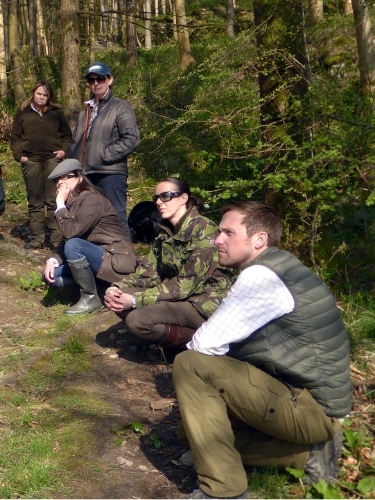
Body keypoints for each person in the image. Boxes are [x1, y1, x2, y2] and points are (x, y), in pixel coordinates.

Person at [174, 201, 351, 499]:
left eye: (228, 232)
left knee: (190, 365)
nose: (217, 239)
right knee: (190, 432)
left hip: (312, 409)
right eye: (219, 231)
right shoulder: (283, 266)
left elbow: (203, 346)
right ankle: (304, 455)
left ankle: (224, 490)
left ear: (259, 239)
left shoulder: (262, 277)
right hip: (313, 402)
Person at [103, 178, 233, 349]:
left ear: (183, 198)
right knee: (119, 298)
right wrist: (117, 287)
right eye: (156, 198)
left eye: (166, 196)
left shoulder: (204, 230)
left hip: (204, 302)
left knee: (137, 320)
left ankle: (200, 343)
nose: (158, 202)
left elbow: (186, 285)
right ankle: (168, 340)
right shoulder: (165, 232)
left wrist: (135, 300)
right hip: (180, 296)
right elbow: (149, 272)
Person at [42, 159, 136, 315]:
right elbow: (69, 237)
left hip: (114, 258)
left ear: (80, 178)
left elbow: (71, 233)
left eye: (66, 177)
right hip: (95, 259)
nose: (60, 182)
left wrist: (59, 204)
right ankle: (101, 291)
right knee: (51, 275)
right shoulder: (73, 203)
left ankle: (90, 298)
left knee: (74, 245)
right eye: (57, 180)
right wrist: (52, 260)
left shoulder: (92, 199)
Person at [66, 62, 140, 232]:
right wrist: (72, 160)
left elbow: (132, 138)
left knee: (116, 216)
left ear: (110, 80)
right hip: (85, 173)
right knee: (87, 216)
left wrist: (104, 155)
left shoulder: (121, 107)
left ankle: (127, 257)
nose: (96, 83)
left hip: (110, 173)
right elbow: (75, 140)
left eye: (100, 78)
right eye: (92, 80)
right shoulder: (85, 111)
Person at [11, 81, 72, 249]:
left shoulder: (56, 112)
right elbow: (15, 137)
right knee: (35, 200)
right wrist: (19, 156)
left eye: (45, 95)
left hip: (52, 160)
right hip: (31, 161)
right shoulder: (23, 112)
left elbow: (67, 135)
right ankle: (37, 238)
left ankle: (57, 239)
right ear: (33, 94)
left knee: (54, 200)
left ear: (49, 97)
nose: (42, 97)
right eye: (39, 94)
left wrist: (63, 151)